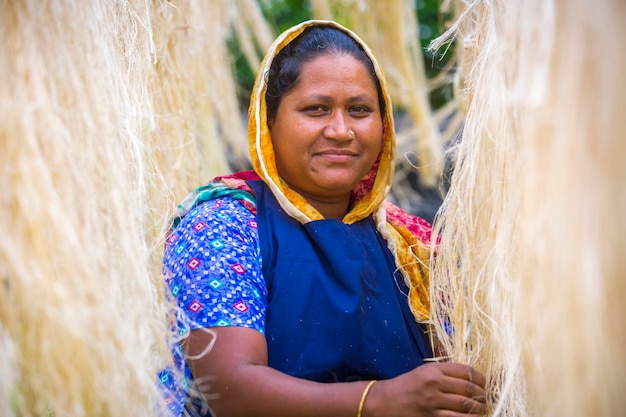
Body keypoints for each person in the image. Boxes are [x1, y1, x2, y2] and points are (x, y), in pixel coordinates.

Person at [161, 20, 487, 417]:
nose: (341, 130)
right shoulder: (224, 224)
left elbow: (461, 375)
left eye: (360, 110)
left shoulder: (407, 241)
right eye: (316, 109)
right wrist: (380, 400)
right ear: (268, 121)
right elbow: (231, 389)